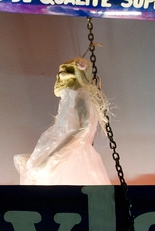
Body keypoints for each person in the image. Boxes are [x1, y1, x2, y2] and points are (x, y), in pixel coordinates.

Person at [14, 57, 111, 185]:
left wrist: (55, 155)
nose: (60, 77)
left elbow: (83, 129)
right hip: (66, 147)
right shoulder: (71, 95)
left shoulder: (80, 95)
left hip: (73, 152)